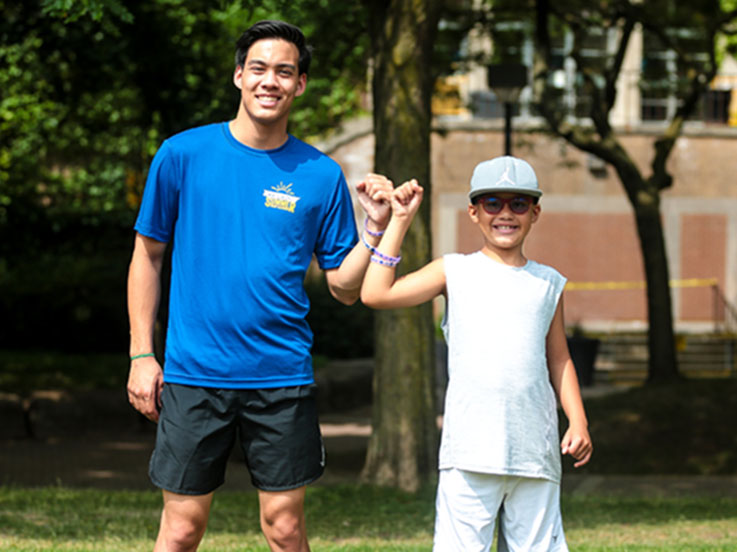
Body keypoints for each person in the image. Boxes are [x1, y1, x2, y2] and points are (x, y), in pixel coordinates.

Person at [126, 20, 392, 552]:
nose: (270, 80)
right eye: (260, 68)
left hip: (281, 375)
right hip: (194, 372)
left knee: (286, 527)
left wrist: (377, 228)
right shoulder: (182, 155)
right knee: (180, 529)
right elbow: (147, 255)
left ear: (300, 85)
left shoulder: (320, 174)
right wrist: (141, 354)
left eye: (285, 71)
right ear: (239, 76)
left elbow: (343, 287)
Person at [361, 156, 593, 551]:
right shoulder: (453, 271)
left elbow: (559, 359)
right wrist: (398, 221)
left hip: (535, 453)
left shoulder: (548, 283)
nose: (506, 214)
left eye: (518, 204)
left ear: (535, 212)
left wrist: (578, 421)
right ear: (474, 212)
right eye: (493, 203)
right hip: (469, 451)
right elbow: (375, 293)